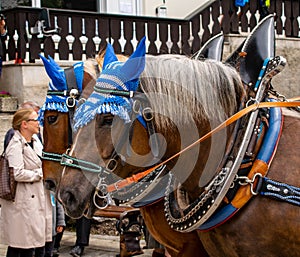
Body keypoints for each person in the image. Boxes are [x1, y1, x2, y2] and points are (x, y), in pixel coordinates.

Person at [0, 108, 52, 257]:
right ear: (24, 124)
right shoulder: (15, 145)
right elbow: (17, 173)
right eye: (35, 120)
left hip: (38, 199)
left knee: (37, 243)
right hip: (23, 203)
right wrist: (39, 174)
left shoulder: (36, 142)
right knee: (22, 245)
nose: (38, 123)